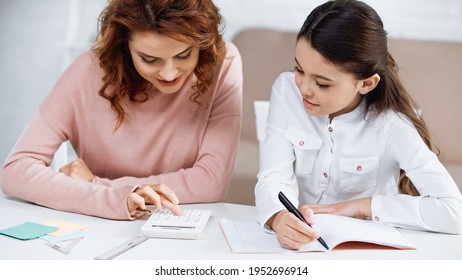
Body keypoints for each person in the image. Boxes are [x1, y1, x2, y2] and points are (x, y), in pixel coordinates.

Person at [0, 0, 242, 220]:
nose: (169, 73)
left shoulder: (222, 62)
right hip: (98, 222)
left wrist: (96, 183)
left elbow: (211, 183)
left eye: (184, 55)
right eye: (149, 59)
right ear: (124, 45)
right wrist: (114, 198)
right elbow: (15, 170)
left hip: (184, 221)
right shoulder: (87, 71)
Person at [255, 0, 462, 250]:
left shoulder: (392, 125)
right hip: (300, 252)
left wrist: (361, 207)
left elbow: (453, 212)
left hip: (367, 253)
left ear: (366, 84)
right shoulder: (286, 90)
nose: (304, 89)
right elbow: (273, 176)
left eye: (322, 83)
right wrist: (278, 217)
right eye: (299, 69)